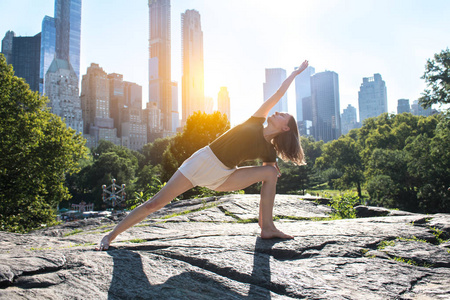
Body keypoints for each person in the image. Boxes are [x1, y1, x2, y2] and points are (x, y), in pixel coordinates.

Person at [96, 60, 309, 251]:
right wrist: (294, 74)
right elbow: (278, 94)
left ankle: (267, 227)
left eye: (282, 115)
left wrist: (274, 172)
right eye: (279, 111)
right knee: (155, 203)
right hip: (202, 162)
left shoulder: (269, 150)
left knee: (271, 173)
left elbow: (268, 180)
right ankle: (111, 235)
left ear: (285, 129)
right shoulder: (256, 121)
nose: (277, 112)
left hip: (224, 176)